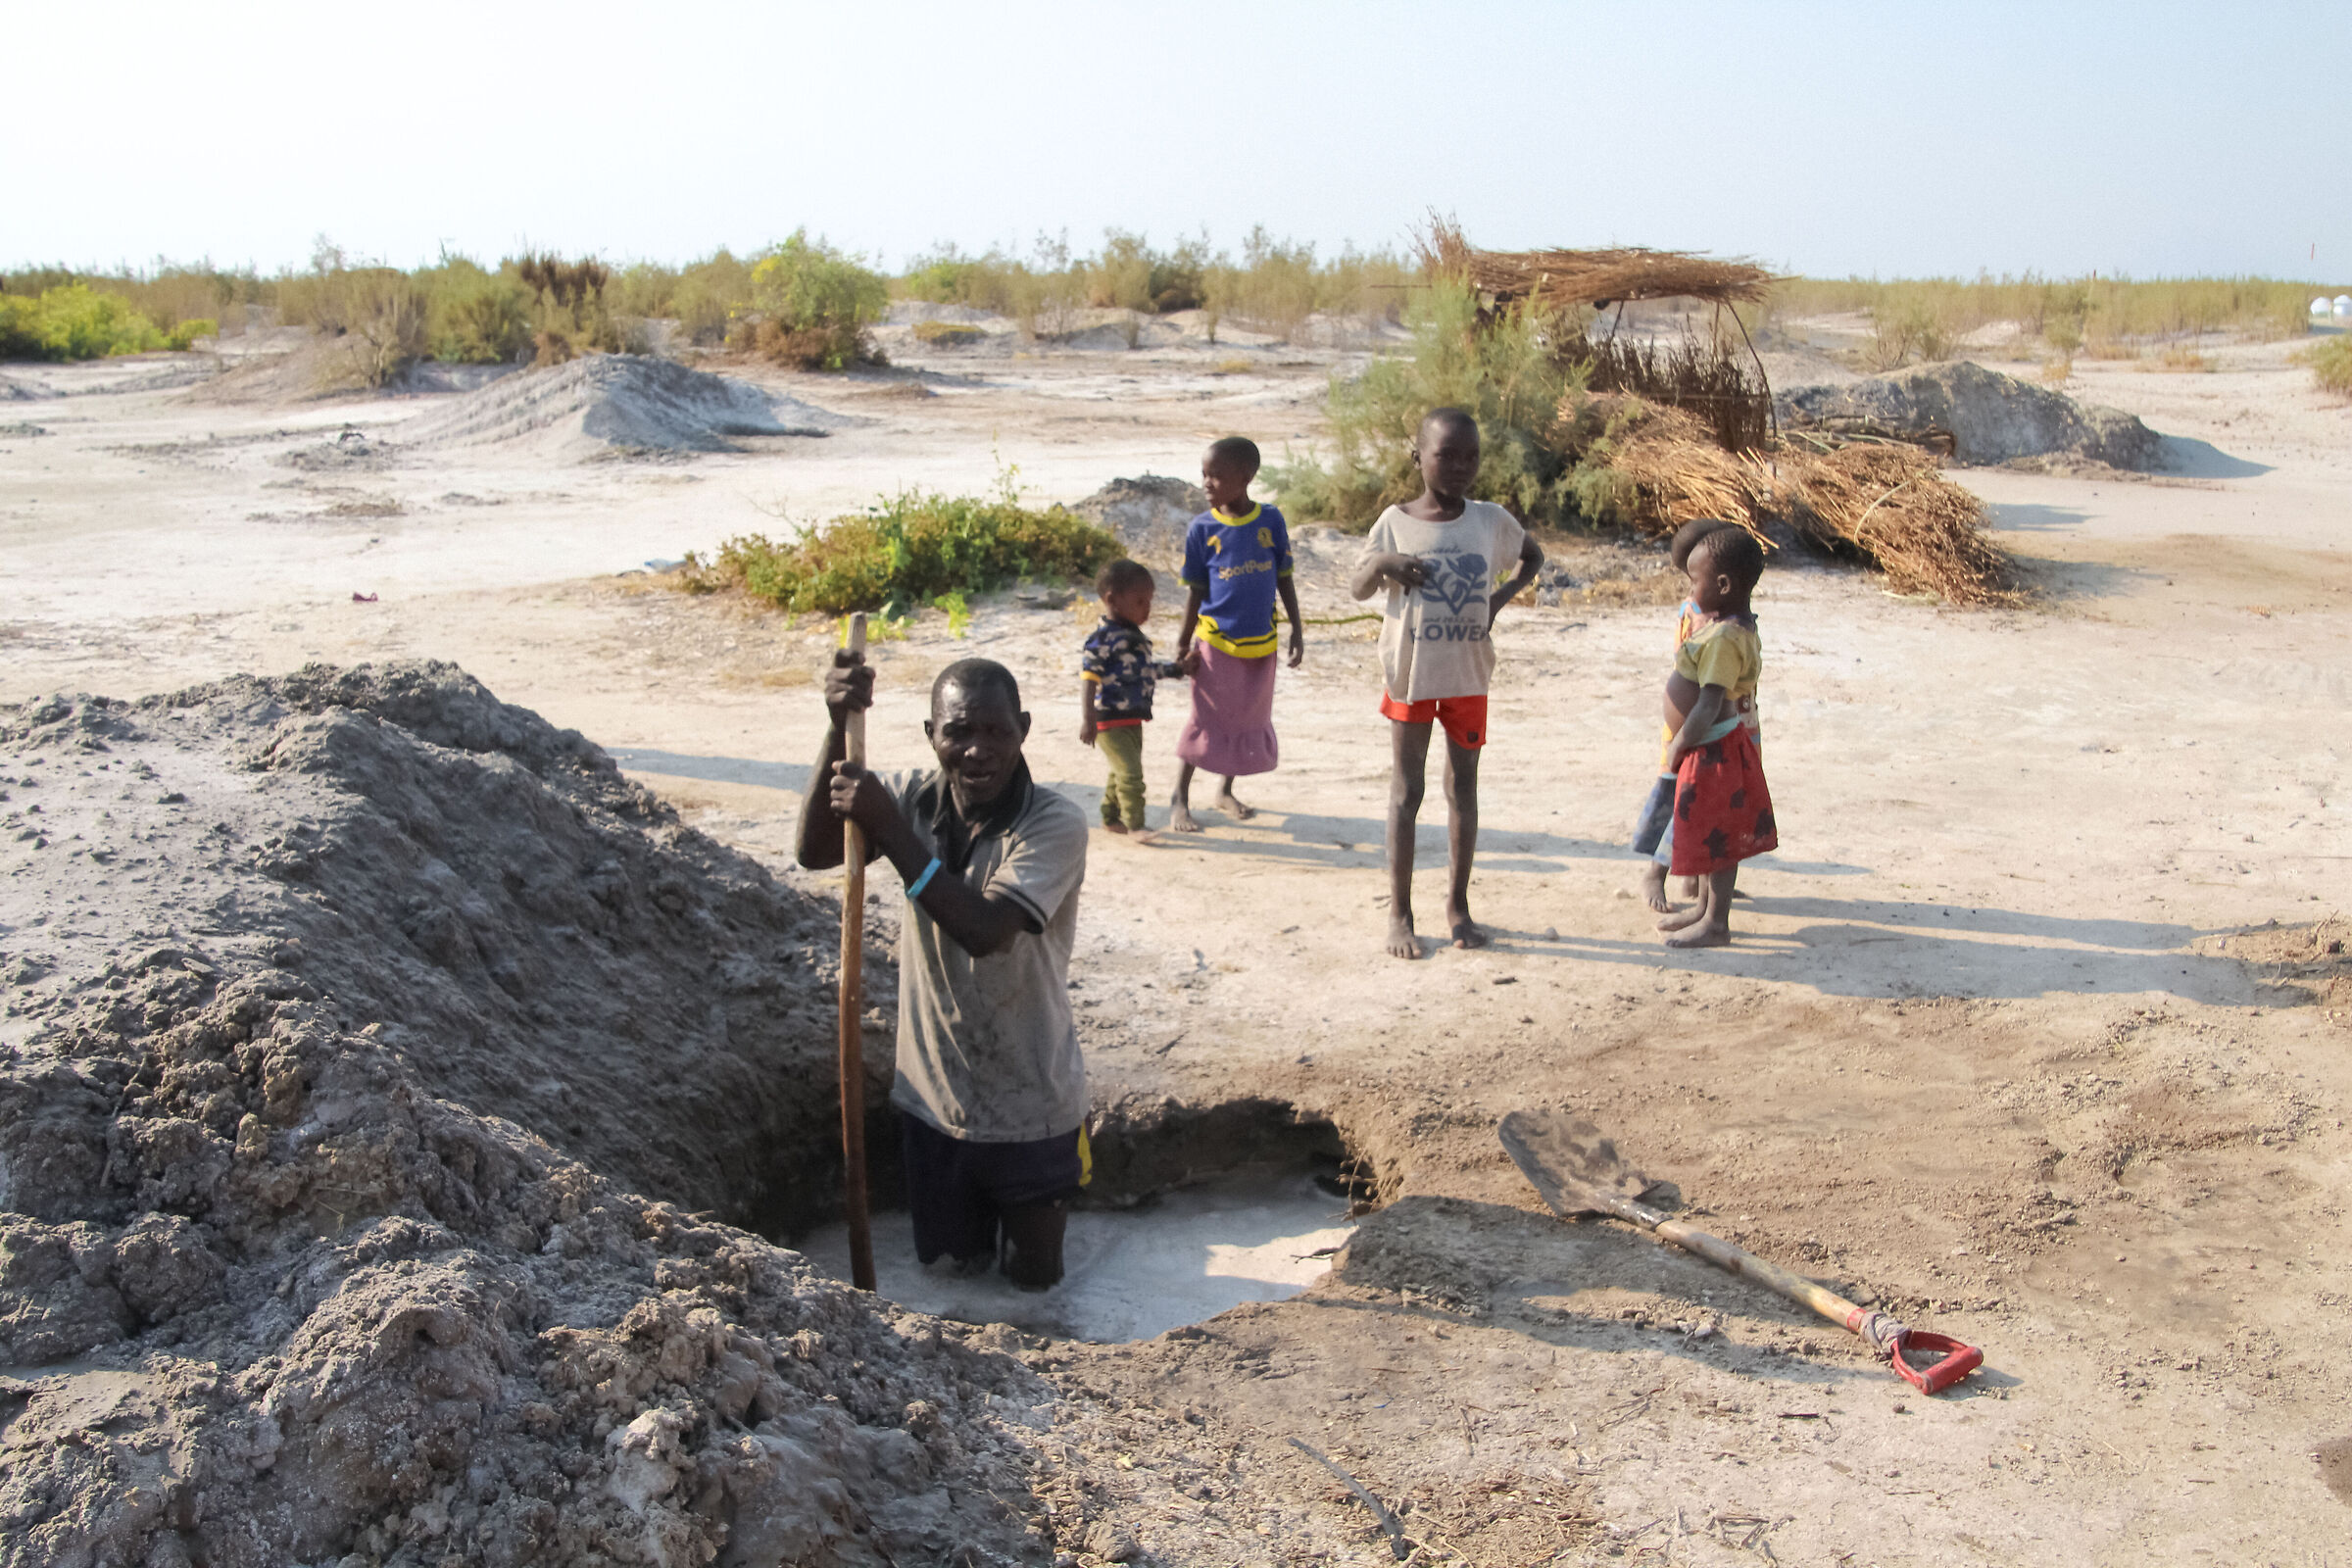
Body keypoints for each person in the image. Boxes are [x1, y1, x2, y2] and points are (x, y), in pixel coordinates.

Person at [795, 654, 1091, 1287]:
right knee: (952, 1279)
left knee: (1034, 1287)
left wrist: (889, 831)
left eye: (996, 732)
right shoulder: (909, 798)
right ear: (932, 734)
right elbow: (815, 851)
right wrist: (835, 725)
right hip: (933, 1099)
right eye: (958, 733)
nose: (977, 751)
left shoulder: (1053, 822)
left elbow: (983, 932)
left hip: (1030, 1101)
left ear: (1025, 730)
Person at [1349, 408, 1544, 958]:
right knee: (1406, 793)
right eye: (1446, 455)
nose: (1460, 467)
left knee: (1463, 790)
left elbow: (1531, 557)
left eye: (1471, 456)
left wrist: (1499, 600)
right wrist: (1386, 560)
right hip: (1411, 677)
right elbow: (1359, 587)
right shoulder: (1394, 521)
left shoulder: (1489, 520)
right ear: (1418, 459)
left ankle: (1458, 908)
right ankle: (1400, 914)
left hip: (1467, 676)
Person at [1169, 436, 1304, 833]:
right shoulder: (1202, 528)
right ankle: (1180, 795)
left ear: (1245, 477)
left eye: (1216, 476)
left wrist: (1297, 626)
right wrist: (1182, 642)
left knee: (1246, 716)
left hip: (1262, 642)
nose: (1207, 484)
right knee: (1207, 716)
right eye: (1204, 476)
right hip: (1215, 641)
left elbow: (1284, 576)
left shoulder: (1270, 520)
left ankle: (1224, 790)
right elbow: (1195, 589)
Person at [1655, 526, 1777, 949]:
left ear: (1722, 585)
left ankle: (1717, 923)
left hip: (1714, 746)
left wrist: (1679, 744)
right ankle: (1705, 909)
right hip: (1712, 743)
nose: (1691, 589)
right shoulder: (1729, 625)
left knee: (1719, 838)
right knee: (1708, 829)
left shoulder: (1725, 637)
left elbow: (1708, 703)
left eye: (1695, 580)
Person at [1637, 517, 1741, 913]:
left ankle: (1703, 880)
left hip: (1723, 727)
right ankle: (1659, 870)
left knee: (1712, 806)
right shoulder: (1704, 615)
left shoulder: (1728, 618)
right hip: (1696, 729)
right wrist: (1684, 738)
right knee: (1685, 803)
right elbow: (1704, 689)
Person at [1080, 557, 1184, 844]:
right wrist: (1088, 721)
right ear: (1112, 600)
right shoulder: (1102, 640)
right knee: (1131, 774)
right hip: (1108, 721)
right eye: (1140, 601)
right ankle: (1136, 825)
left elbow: (1145, 672)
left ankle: (1111, 819)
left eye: (1149, 601)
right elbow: (1089, 681)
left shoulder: (1134, 637)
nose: (1147, 608)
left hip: (1132, 718)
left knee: (1120, 772)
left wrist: (1177, 669)